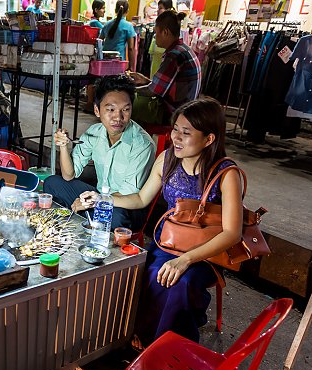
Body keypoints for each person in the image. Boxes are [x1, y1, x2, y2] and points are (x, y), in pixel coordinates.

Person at [77, 97, 243, 349]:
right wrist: (104, 197)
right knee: (141, 272)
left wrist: (186, 259)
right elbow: (142, 198)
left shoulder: (226, 174)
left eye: (186, 133)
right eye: (175, 129)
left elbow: (232, 233)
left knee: (180, 281)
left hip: (206, 253)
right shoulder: (167, 160)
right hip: (169, 242)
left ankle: (169, 347)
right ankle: (145, 333)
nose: (176, 137)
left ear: (209, 139)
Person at [43, 75, 156, 231]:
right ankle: (85, 219)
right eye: (110, 109)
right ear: (97, 110)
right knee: (52, 183)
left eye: (126, 109)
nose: (118, 117)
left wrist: (92, 201)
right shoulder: (94, 133)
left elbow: (130, 196)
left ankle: (84, 216)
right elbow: (69, 175)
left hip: (126, 206)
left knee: (116, 218)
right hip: (98, 197)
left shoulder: (142, 145)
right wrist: (63, 146)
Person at [132, 10, 201, 121]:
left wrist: (130, 88)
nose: (155, 36)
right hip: (187, 107)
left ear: (165, 32)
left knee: (128, 108)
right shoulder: (184, 49)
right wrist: (145, 80)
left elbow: (153, 91)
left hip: (175, 112)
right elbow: (163, 86)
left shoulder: (173, 55)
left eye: (156, 32)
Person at [100, 0, 136, 72]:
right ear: (127, 11)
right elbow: (131, 48)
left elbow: (99, 41)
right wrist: (131, 67)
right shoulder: (128, 26)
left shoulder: (107, 24)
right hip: (118, 62)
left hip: (104, 61)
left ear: (115, 10)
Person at [149, 0, 173, 76]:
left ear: (168, 9)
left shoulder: (171, 28)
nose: (157, 10)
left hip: (163, 67)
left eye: (160, 8)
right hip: (155, 64)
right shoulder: (158, 25)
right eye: (158, 8)